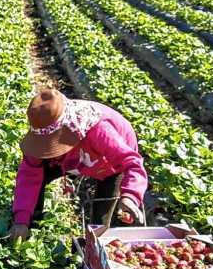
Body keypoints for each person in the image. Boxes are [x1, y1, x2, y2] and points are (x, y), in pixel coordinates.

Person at [10, 89, 149, 242]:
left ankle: (93, 245)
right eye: (47, 145)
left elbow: (132, 163)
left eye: (53, 143)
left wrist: (130, 196)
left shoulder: (99, 130)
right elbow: (29, 176)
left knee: (102, 210)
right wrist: (21, 219)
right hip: (76, 158)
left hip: (109, 162)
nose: (49, 149)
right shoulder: (39, 137)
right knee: (40, 177)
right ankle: (30, 230)